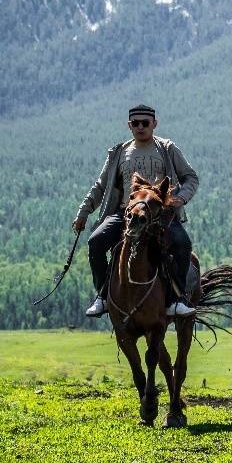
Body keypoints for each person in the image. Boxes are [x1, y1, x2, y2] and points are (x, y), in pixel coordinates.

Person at [73, 104, 198, 318]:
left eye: (145, 123)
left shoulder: (167, 148)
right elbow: (101, 186)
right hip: (126, 214)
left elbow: (191, 177)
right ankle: (102, 296)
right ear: (129, 125)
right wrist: (83, 212)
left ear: (154, 124)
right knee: (95, 242)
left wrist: (182, 198)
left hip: (160, 216)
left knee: (183, 244)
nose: (140, 127)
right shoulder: (119, 152)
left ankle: (177, 300)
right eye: (135, 123)